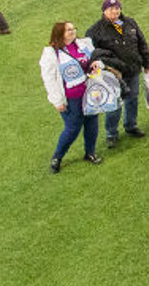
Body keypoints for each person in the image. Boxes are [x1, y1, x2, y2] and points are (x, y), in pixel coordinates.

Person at [85, 0, 149, 148]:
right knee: (114, 103)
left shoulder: (130, 23)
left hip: (133, 68)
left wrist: (147, 64)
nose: (115, 11)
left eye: (117, 8)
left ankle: (131, 126)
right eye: (111, 9)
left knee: (132, 99)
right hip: (113, 74)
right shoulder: (95, 31)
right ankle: (111, 134)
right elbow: (91, 53)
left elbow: (142, 44)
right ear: (104, 11)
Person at [40, 20, 104, 173]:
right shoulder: (51, 53)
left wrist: (98, 65)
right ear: (60, 34)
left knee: (92, 123)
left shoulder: (84, 44)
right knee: (72, 128)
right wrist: (57, 101)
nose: (72, 31)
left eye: (73, 28)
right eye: (68, 30)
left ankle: (90, 152)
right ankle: (57, 158)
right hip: (71, 98)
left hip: (90, 92)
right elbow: (49, 79)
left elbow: (97, 59)